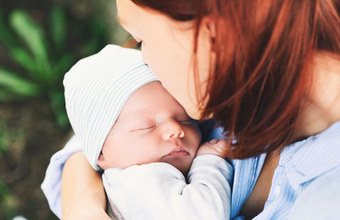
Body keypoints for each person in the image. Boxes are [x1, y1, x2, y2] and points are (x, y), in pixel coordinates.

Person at [42, 0, 340, 219]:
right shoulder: (225, 89)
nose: (143, 60)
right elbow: (99, 134)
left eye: (141, 39)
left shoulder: (324, 201)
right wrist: (81, 205)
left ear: (208, 34)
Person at [46, 44, 233, 219]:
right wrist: (209, 163)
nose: (176, 130)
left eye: (186, 119)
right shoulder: (140, 181)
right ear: (101, 153)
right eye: (146, 127)